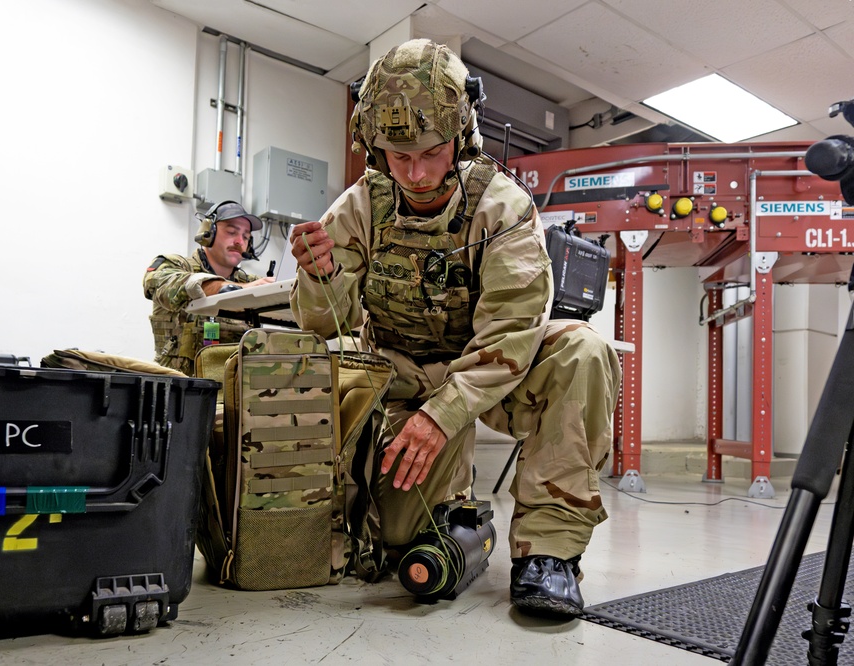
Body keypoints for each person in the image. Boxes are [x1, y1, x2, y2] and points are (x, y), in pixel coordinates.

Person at [287, 39, 621, 618]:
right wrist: (320, 275)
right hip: (401, 376)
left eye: (433, 153)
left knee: (581, 351)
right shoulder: (361, 205)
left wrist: (442, 418)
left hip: (491, 372)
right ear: (374, 146)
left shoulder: (503, 207)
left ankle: (548, 556)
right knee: (399, 546)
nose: (416, 173)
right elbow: (318, 322)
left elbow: (512, 332)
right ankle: (458, 515)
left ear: (460, 138)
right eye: (398, 156)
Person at [143, 200, 274, 375]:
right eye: (231, 232)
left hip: (234, 390)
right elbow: (156, 281)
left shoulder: (251, 282)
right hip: (180, 389)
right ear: (208, 233)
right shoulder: (174, 266)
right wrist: (236, 290)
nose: (239, 241)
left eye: (245, 236)